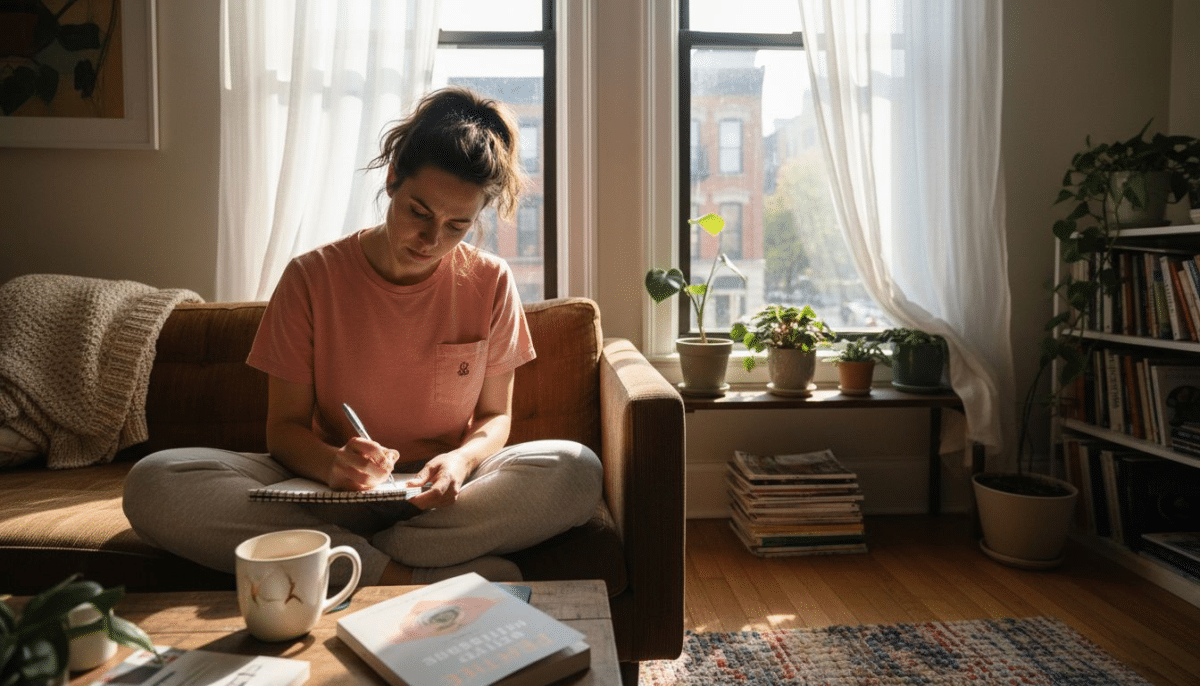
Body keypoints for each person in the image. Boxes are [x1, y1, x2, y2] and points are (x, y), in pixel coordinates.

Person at [124, 87, 603, 586]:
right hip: (335, 492)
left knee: (577, 469)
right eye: (420, 212)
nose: (432, 239)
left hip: (443, 498)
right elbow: (283, 428)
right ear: (394, 177)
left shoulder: (491, 280)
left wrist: (461, 461)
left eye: (457, 225)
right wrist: (334, 465)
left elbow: (494, 416)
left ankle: (348, 562)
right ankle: (402, 573)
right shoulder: (311, 278)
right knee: (154, 482)